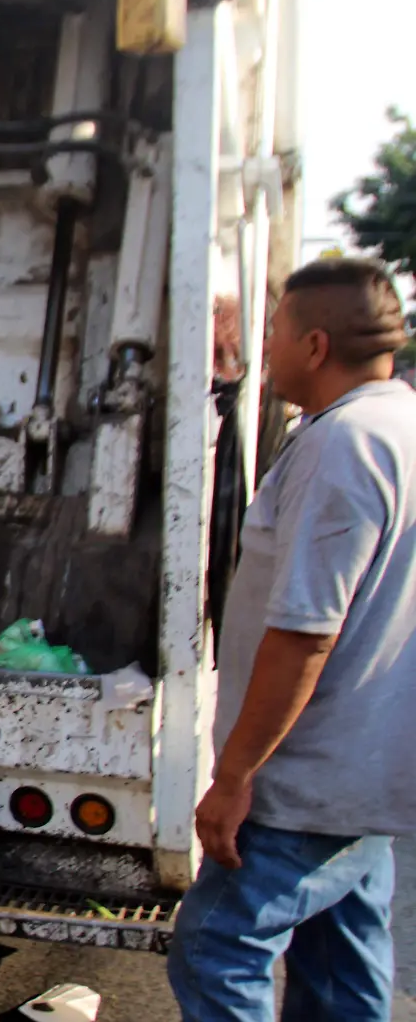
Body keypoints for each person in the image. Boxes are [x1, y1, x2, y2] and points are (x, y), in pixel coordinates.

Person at [167, 257, 416, 1021]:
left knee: (215, 951)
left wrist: (236, 774)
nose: (263, 351)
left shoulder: (341, 446)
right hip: (365, 774)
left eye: (273, 334)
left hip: (305, 779)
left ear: (314, 344)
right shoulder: (401, 424)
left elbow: (306, 633)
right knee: (342, 968)